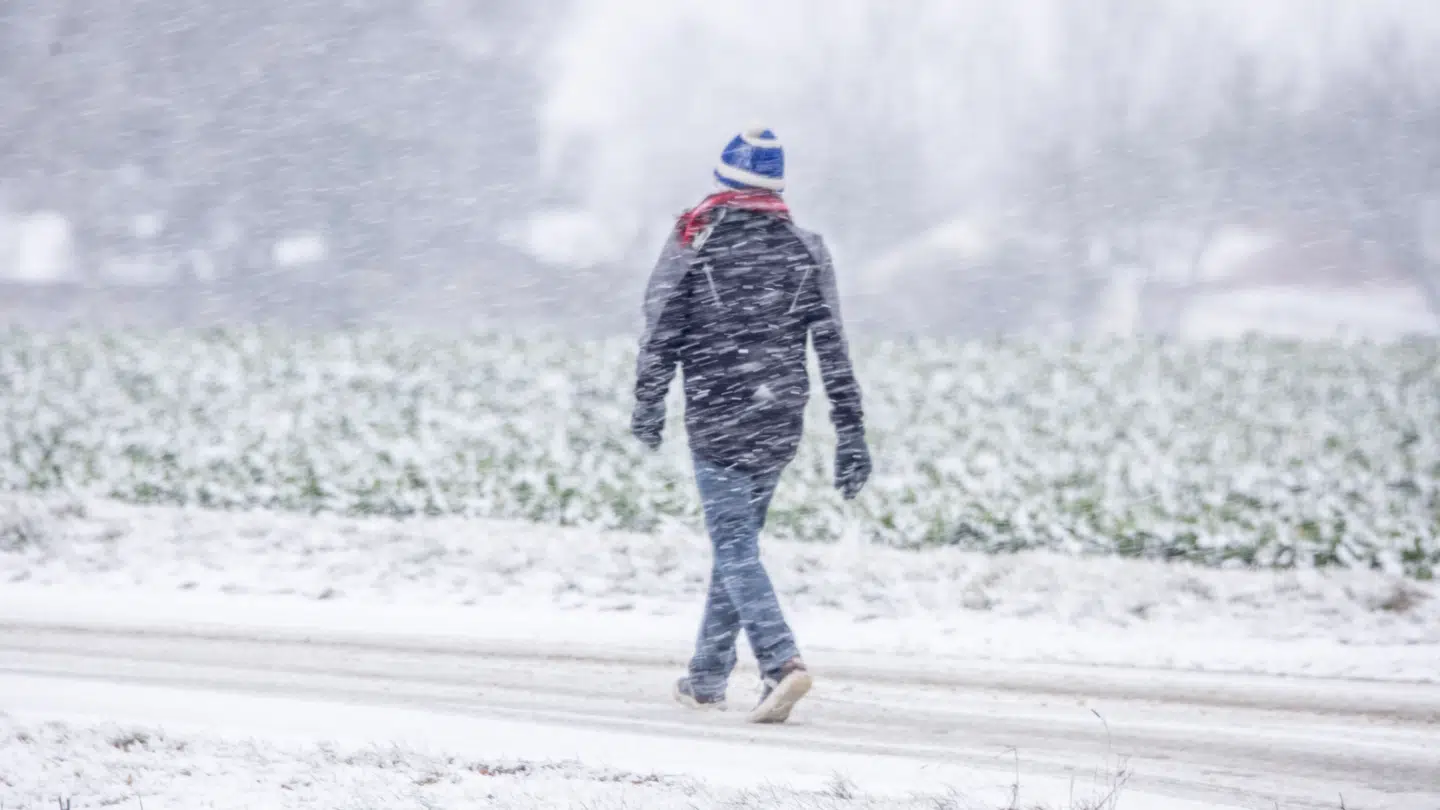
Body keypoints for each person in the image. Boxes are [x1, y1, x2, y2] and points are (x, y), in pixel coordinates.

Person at [630, 127, 872, 724]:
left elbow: (661, 329)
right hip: (779, 420)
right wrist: (850, 432)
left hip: (717, 416)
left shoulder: (694, 240)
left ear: (723, 179)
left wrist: (649, 402)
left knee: (734, 548)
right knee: (736, 548)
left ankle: (780, 663)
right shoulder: (806, 249)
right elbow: (833, 348)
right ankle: (706, 678)